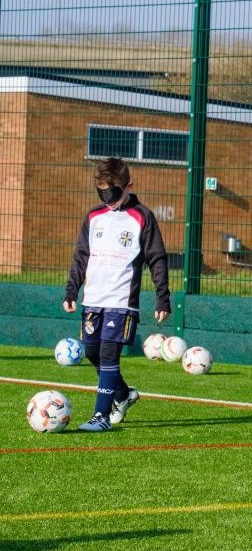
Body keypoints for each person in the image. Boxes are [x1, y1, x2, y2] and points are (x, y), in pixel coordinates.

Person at [64, 157, 171, 431]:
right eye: (102, 193)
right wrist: (72, 290)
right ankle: (123, 394)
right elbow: (81, 256)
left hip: (122, 301)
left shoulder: (142, 217)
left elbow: (157, 258)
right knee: (92, 353)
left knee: (109, 354)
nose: (107, 200)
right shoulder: (94, 217)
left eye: (112, 193)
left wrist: (162, 296)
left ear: (128, 186)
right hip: (93, 299)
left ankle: (101, 417)